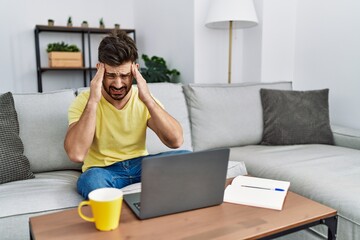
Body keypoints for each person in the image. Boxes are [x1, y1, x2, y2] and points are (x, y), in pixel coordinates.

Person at [64, 30, 187, 199]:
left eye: (124, 75)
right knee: (89, 180)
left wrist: (148, 100)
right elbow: (76, 154)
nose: (118, 83)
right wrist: (93, 101)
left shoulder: (143, 99)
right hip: (103, 171)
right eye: (111, 75)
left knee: (186, 158)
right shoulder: (84, 102)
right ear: (99, 69)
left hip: (141, 165)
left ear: (135, 70)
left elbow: (176, 141)